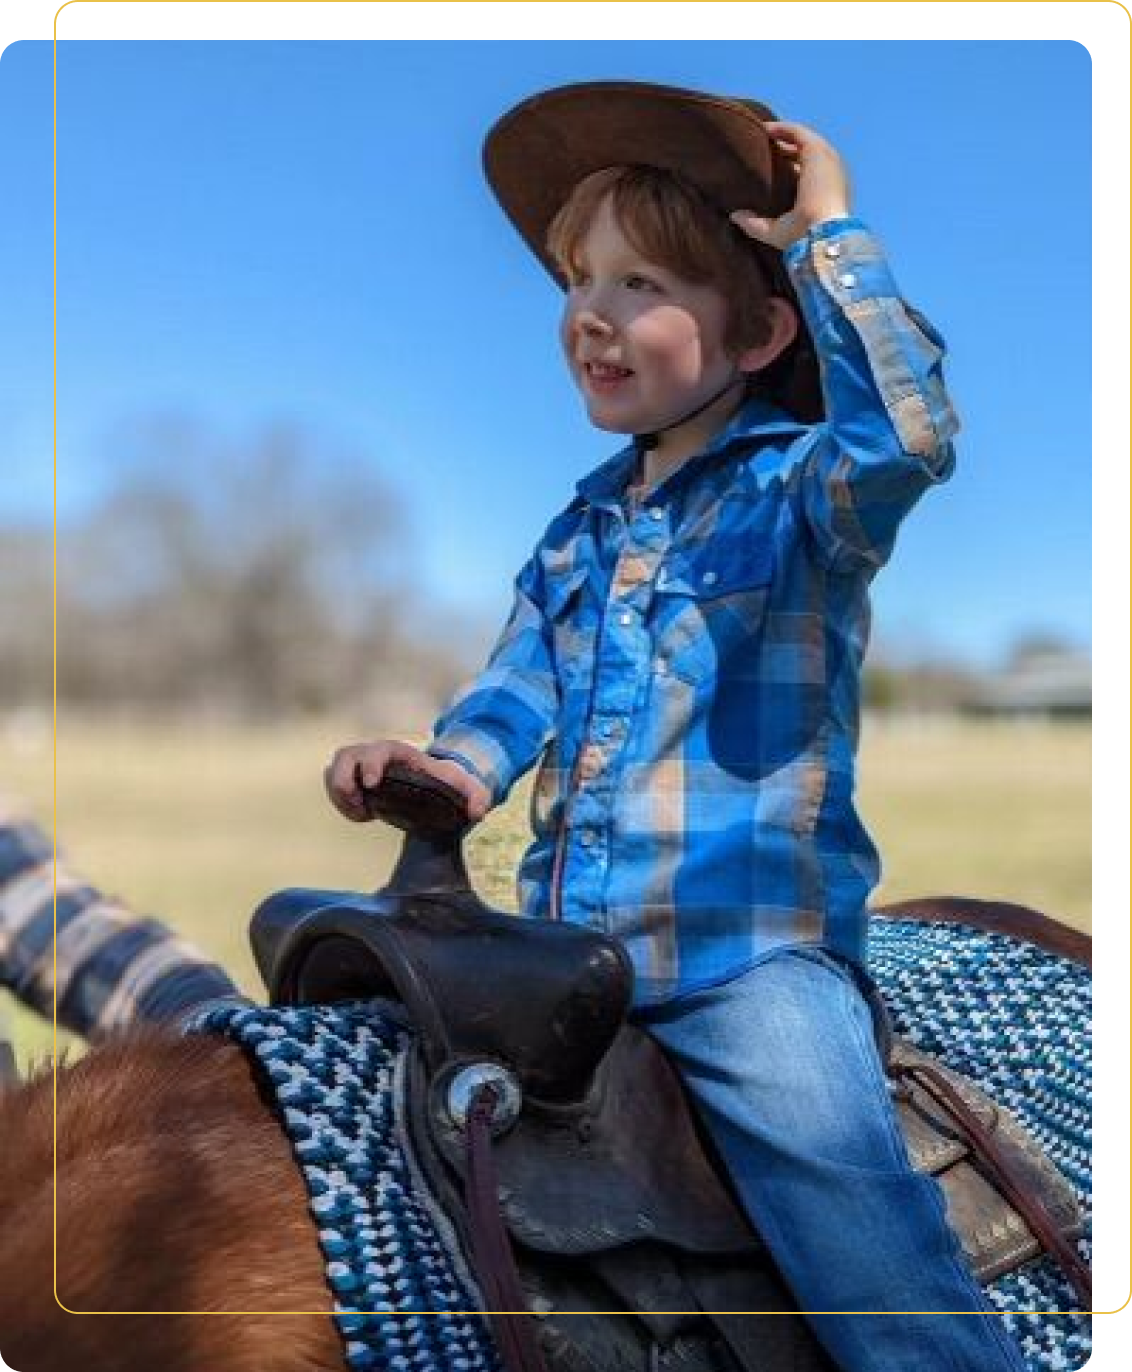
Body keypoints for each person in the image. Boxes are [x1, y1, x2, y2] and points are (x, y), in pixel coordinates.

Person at [325, 80, 1028, 1371]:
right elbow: (511, 695)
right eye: (580, 282)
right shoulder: (579, 531)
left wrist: (826, 239)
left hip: (740, 964)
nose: (592, 313)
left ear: (758, 334)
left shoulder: (796, 498)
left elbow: (911, 438)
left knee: (853, 1223)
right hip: (562, 958)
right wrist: (441, 771)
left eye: (641, 285)